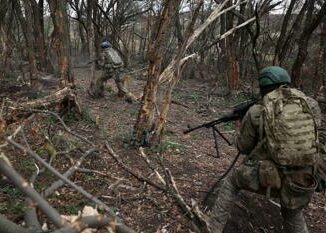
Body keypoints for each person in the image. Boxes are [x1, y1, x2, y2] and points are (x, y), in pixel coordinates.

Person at [209, 66, 321, 233]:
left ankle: (212, 228)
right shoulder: (310, 105)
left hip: (269, 177)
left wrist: (239, 129)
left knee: (231, 183)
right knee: (292, 212)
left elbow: (244, 147)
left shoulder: (256, 111)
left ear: (263, 87)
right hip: (302, 180)